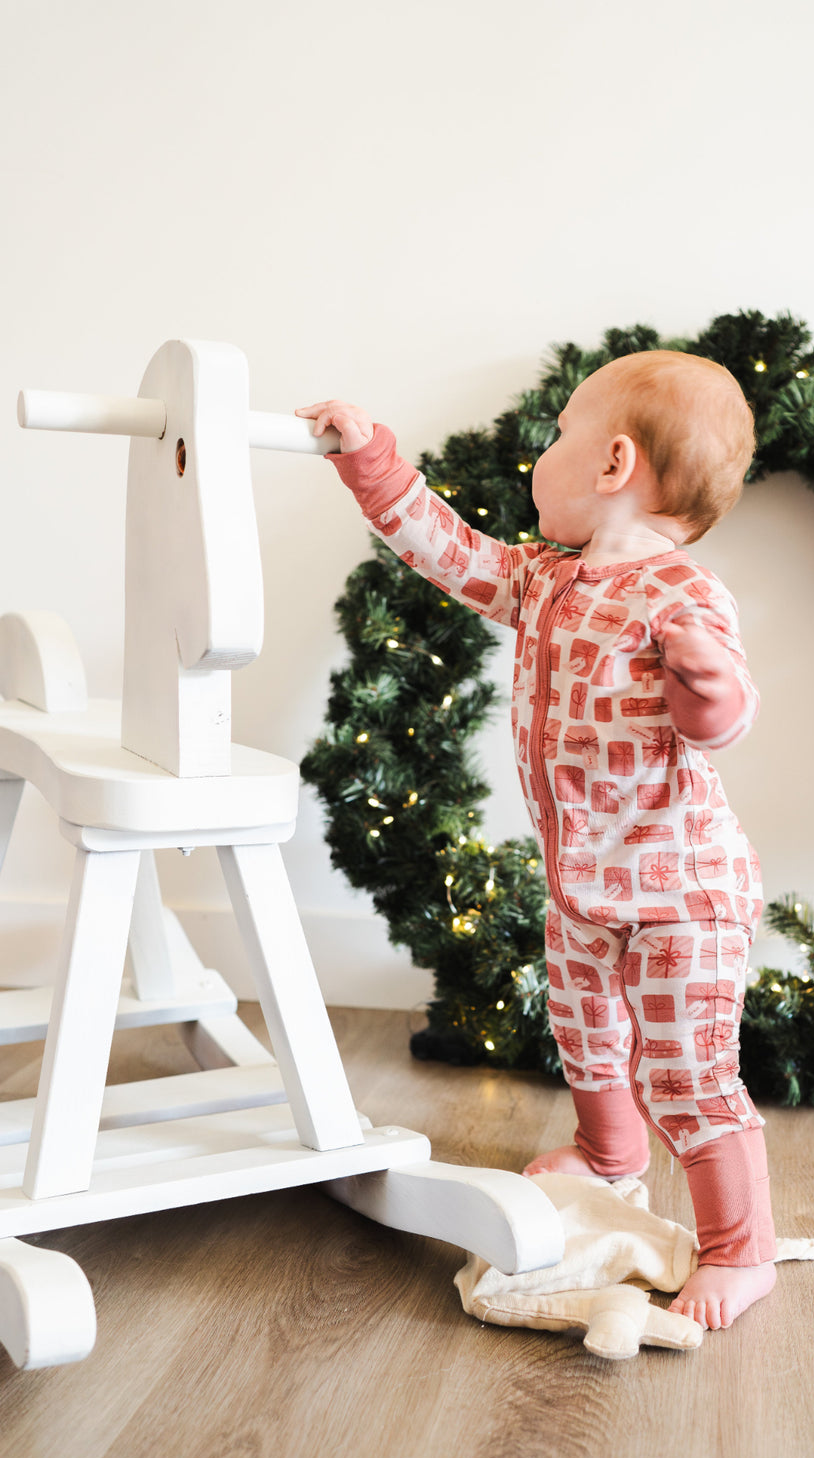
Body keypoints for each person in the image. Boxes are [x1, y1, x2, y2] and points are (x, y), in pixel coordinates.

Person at [297, 349, 777, 1330]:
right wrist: (373, 463)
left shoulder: (684, 595)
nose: (540, 456)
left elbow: (720, 715)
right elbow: (451, 551)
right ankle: (610, 1155)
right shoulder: (544, 580)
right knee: (585, 1031)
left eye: (556, 436)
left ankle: (740, 1248)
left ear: (610, 463)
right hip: (581, 880)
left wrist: (710, 689)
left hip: (680, 888)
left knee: (687, 1071)